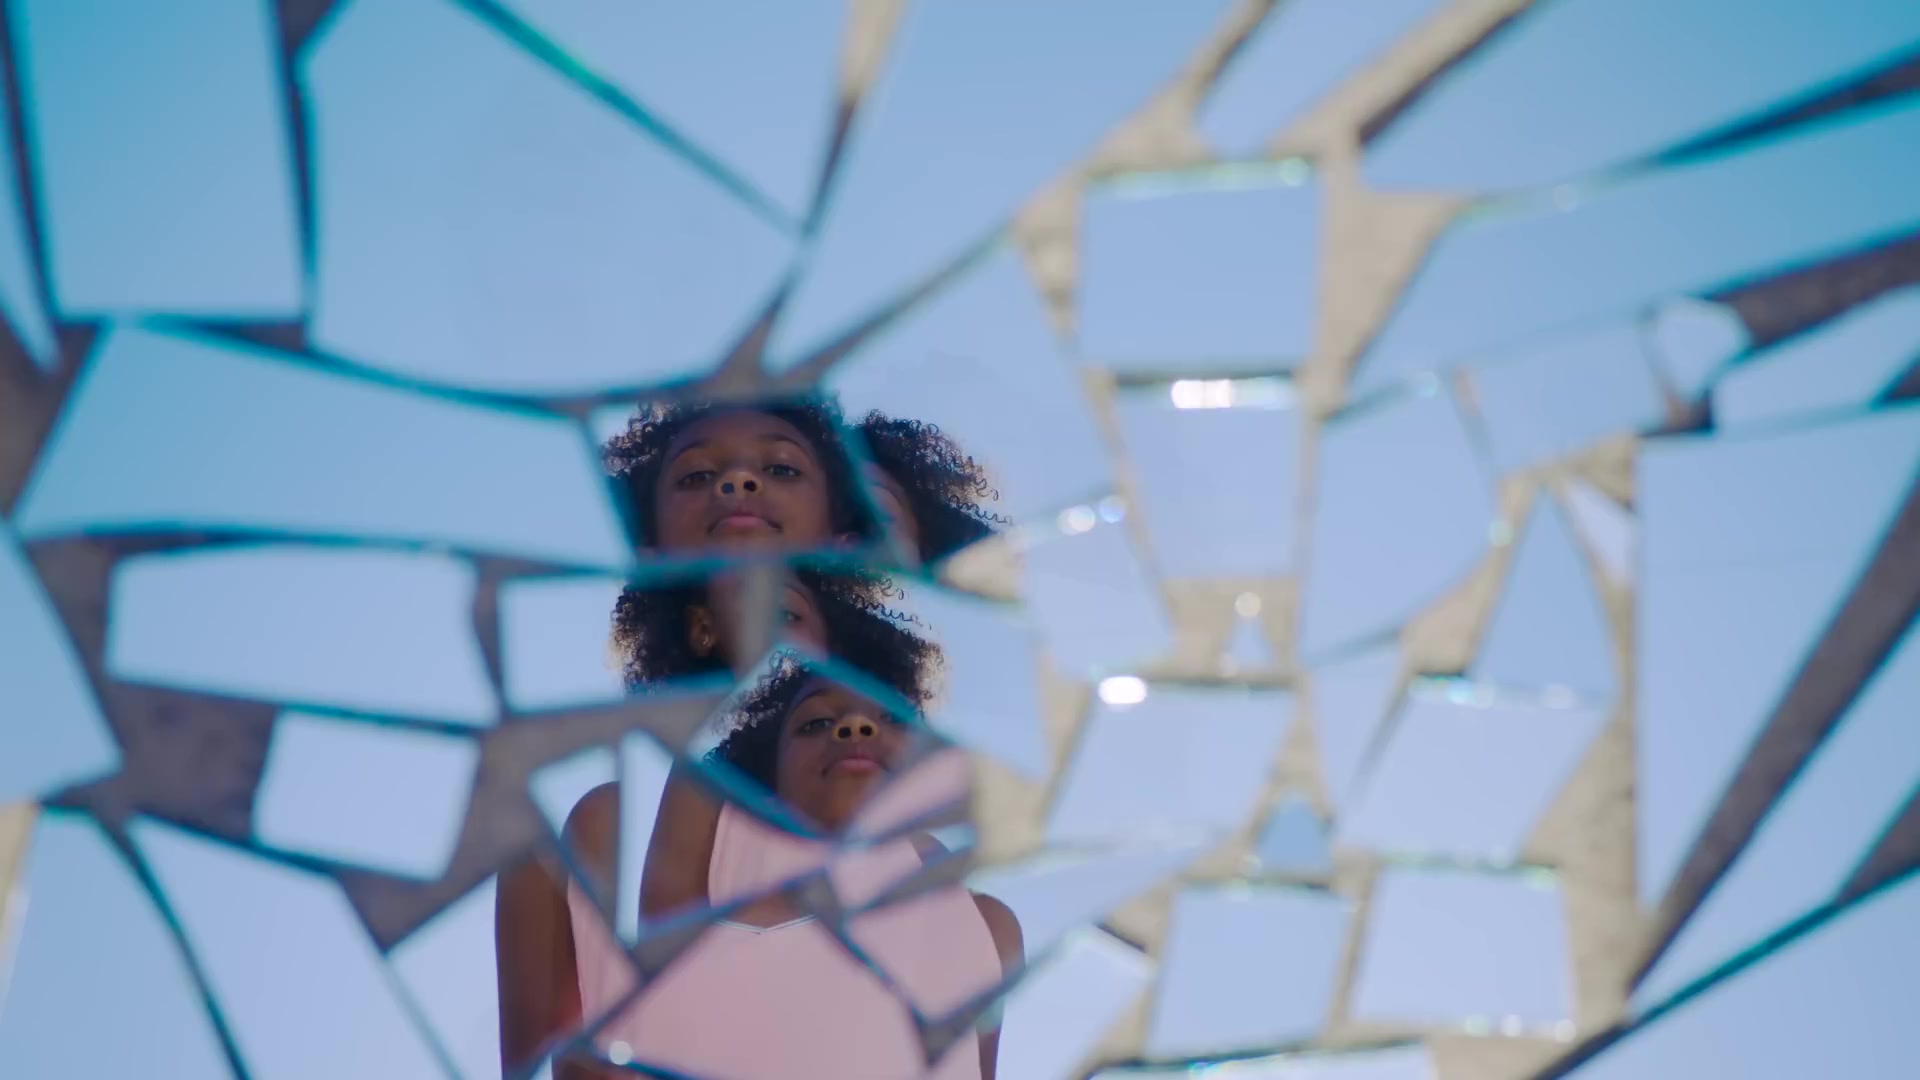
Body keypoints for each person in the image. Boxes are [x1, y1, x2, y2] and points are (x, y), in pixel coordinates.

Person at [568, 657, 1022, 1079]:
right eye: (816, 722)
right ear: (770, 767)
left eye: (891, 719)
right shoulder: (713, 830)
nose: (856, 726)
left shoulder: (986, 927)